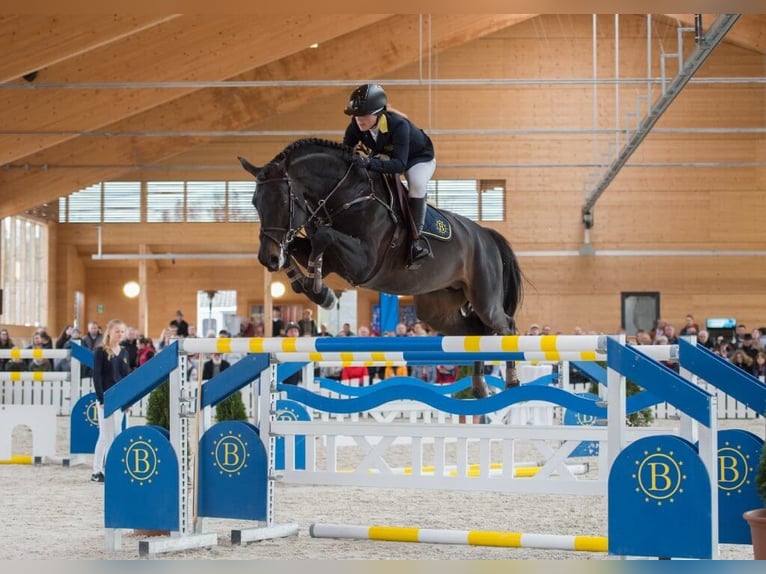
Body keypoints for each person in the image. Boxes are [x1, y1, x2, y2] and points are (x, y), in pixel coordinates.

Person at [342, 83, 436, 269]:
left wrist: (368, 163)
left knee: (416, 184)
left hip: (418, 158)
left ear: (378, 113)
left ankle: (415, 243)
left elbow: (399, 166)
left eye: (364, 115)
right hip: (389, 156)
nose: (358, 119)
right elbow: (345, 154)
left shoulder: (398, 125)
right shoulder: (355, 126)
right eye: (356, 115)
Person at [90, 319, 131, 483]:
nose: (120, 334)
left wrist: (128, 401)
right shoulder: (100, 351)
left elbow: (126, 378)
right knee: (105, 436)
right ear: (109, 332)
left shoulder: (125, 352)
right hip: (106, 398)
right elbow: (97, 376)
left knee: (117, 434)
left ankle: (112, 469)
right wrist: (101, 398)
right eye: (117, 331)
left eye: (122, 331)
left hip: (121, 399)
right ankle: (96, 471)